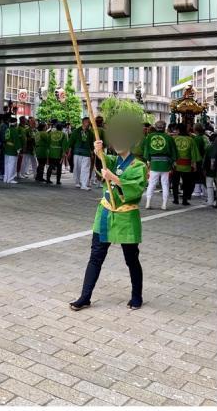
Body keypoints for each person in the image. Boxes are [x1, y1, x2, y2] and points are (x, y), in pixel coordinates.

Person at [69, 117, 149, 311]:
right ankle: (85, 297)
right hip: (105, 213)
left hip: (126, 216)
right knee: (95, 257)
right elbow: (101, 165)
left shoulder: (138, 166)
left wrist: (114, 178)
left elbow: (136, 190)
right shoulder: (111, 160)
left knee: (131, 259)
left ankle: (137, 295)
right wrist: (98, 151)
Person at [142, 120, 175, 210]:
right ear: (164, 127)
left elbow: (146, 151)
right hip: (165, 164)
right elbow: (173, 152)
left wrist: (149, 160)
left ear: (156, 127)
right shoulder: (169, 138)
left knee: (151, 183)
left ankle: (148, 203)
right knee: (165, 184)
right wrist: (171, 162)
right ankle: (164, 204)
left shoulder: (149, 137)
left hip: (154, 163)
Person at [72, 116, 96, 189]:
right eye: (87, 122)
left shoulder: (91, 133)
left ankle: (84, 184)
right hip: (77, 152)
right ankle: (77, 182)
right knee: (77, 168)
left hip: (86, 153)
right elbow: (71, 141)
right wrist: (68, 151)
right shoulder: (76, 131)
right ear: (83, 122)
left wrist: (92, 152)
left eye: (89, 122)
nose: (88, 124)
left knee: (85, 169)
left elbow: (92, 144)